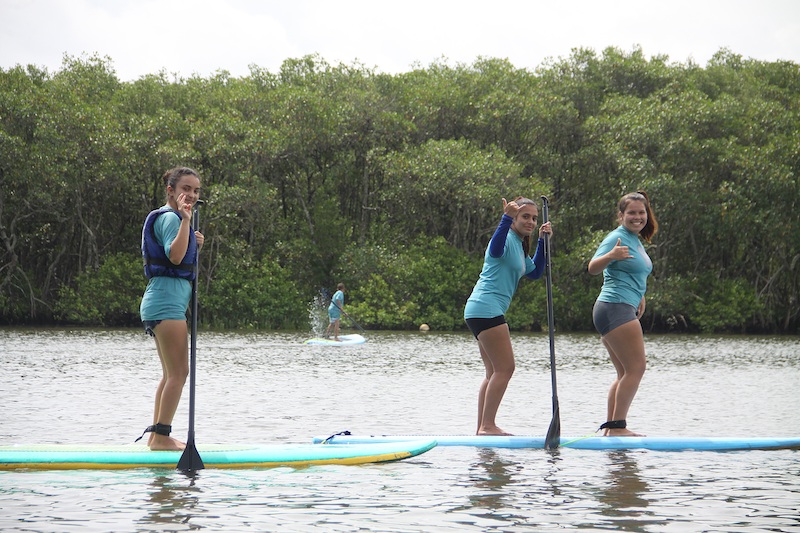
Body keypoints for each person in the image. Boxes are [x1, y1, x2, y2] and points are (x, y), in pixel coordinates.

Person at [464, 197, 553, 436]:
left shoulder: (518, 246)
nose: (531, 222)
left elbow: (535, 272)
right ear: (514, 218)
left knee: (493, 372)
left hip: (479, 309)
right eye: (525, 216)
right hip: (487, 308)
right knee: (505, 369)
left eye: (534, 218)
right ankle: (488, 426)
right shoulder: (504, 239)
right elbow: (494, 249)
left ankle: (482, 428)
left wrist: (542, 242)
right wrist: (505, 218)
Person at [137, 167, 204, 451]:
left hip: (164, 302)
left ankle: (156, 436)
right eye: (185, 189)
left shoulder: (176, 220)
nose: (191, 195)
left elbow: (180, 255)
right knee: (179, 374)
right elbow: (175, 257)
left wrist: (194, 243)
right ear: (171, 191)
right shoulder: (169, 218)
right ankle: (162, 438)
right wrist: (186, 222)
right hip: (166, 304)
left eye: (196, 190)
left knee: (170, 375)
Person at [588, 190, 658, 437]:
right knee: (636, 369)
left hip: (618, 306)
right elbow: (593, 268)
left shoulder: (635, 239)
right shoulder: (616, 237)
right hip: (615, 307)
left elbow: (631, 272)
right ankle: (618, 428)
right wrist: (610, 256)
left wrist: (640, 295)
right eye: (632, 213)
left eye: (642, 212)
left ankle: (611, 429)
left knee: (624, 373)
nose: (638, 217)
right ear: (621, 216)